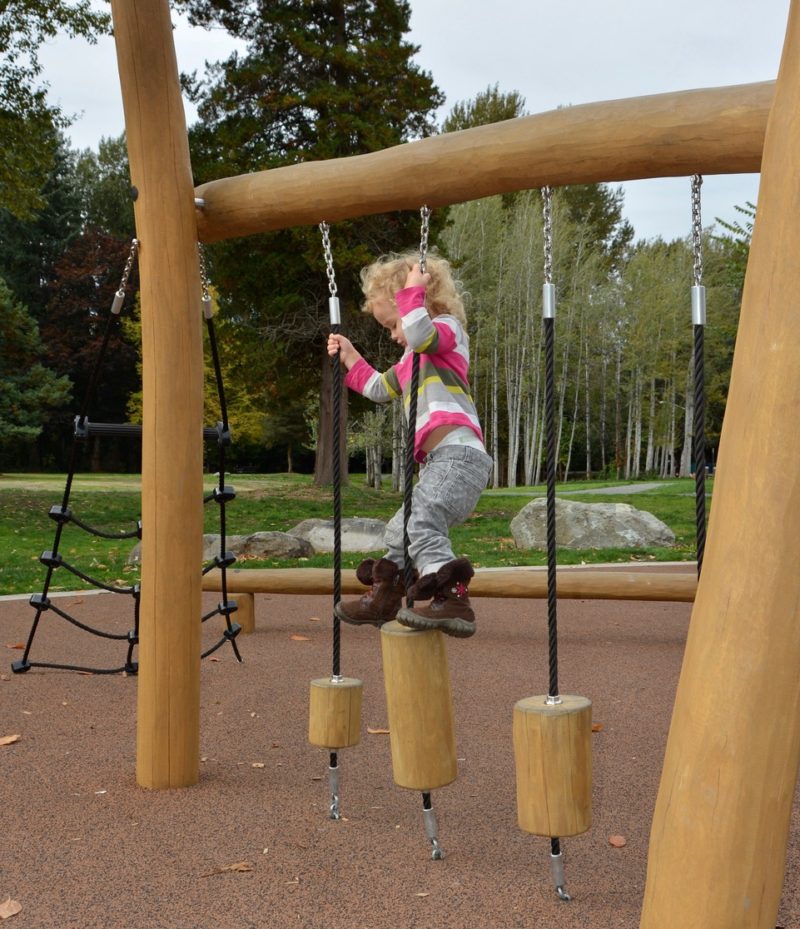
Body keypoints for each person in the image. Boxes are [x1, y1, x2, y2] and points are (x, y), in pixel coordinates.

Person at [326, 251, 492, 638]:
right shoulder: (408, 361)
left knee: (421, 521)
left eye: (393, 323)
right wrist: (351, 357)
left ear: (418, 300)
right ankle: (387, 595)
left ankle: (452, 597)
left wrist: (411, 295)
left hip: (461, 457)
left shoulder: (448, 332)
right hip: (440, 462)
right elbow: (377, 388)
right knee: (399, 529)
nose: (393, 334)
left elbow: (420, 334)